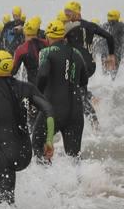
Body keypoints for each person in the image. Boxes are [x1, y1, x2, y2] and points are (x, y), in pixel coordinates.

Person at [0, 50, 54, 203]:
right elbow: (49, 110)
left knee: (0, 199)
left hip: (2, 153)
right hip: (25, 154)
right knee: (7, 194)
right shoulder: (27, 87)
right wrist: (49, 140)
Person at [34, 20, 90, 159]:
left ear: (48, 36)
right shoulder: (77, 53)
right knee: (74, 155)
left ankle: (45, 177)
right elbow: (84, 80)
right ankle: (78, 180)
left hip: (54, 108)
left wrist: (37, 96)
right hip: (76, 110)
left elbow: (42, 75)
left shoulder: (46, 52)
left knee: (37, 143)